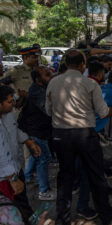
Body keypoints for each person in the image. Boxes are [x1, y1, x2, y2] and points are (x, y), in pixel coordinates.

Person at [46, 50, 112, 225]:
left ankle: (63, 218)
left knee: (65, 177)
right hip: (84, 135)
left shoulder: (53, 82)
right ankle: (105, 213)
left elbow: (48, 110)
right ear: (83, 64)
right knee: (96, 174)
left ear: (66, 63)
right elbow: (104, 112)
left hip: (60, 136)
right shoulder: (90, 84)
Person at [0, 85, 42, 224]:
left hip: (16, 168)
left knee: (23, 204)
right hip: (4, 178)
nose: (13, 104)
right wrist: (12, 179)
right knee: (10, 211)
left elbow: (16, 131)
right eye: (9, 102)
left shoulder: (9, 114)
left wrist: (29, 142)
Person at [18, 67, 55, 201]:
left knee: (36, 155)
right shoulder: (37, 92)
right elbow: (48, 110)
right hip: (35, 130)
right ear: (38, 80)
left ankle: (28, 177)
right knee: (43, 158)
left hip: (36, 130)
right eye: (47, 75)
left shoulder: (39, 89)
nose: (51, 76)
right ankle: (43, 191)